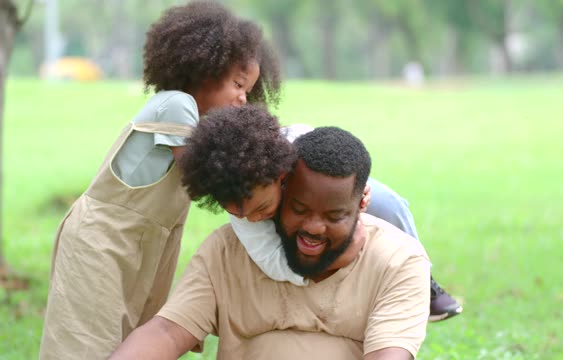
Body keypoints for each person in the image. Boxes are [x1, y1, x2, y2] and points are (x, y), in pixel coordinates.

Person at [39, 2, 281, 359]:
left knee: (129, 344)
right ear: (205, 68)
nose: (244, 99)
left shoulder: (193, 120)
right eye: (238, 84)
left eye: (249, 90)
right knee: (85, 344)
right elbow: (207, 174)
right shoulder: (176, 105)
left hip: (143, 249)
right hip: (102, 243)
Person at [111, 126, 431, 359]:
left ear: (362, 202)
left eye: (333, 216)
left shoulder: (398, 261)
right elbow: (167, 331)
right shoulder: (227, 251)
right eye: (299, 209)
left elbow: (388, 355)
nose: (313, 228)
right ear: (281, 188)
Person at [180, 106, 462, 321]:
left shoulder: (297, 145)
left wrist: (355, 193)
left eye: (262, 208)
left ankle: (423, 281)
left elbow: (341, 162)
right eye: (241, 214)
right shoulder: (246, 215)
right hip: (301, 254)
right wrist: (335, 259)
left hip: (325, 196)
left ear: (281, 176)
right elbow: (271, 261)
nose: (253, 218)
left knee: (389, 204)